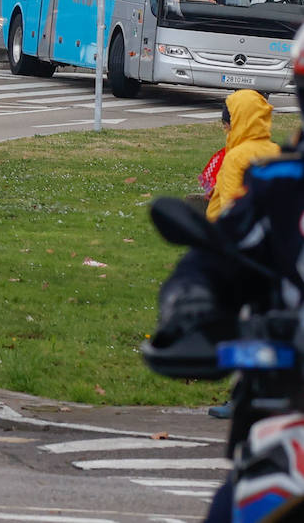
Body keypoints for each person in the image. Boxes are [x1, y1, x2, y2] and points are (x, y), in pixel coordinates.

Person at [148, 28, 304, 518]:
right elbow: (217, 256)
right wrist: (191, 301)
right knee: (242, 506)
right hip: (291, 409)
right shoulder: (282, 188)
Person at [206, 89, 279, 222]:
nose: (225, 131)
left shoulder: (235, 157)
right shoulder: (278, 152)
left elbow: (230, 205)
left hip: (229, 233)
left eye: (226, 125)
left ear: (236, 123)